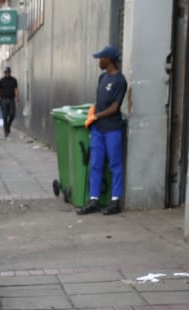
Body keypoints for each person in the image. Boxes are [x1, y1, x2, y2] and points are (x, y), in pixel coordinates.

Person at [76, 45, 128, 216]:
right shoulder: (102, 78)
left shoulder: (120, 81)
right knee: (95, 164)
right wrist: (93, 112)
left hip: (112, 128)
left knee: (115, 164)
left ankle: (115, 201)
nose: (99, 61)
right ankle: (94, 200)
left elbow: (115, 107)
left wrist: (97, 116)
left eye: (101, 58)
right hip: (98, 129)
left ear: (109, 60)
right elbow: (100, 102)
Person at [0, 66, 19, 138]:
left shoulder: (14, 80)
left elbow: (16, 89)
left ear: (10, 72)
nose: (7, 73)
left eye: (8, 72)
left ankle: (8, 125)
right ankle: (6, 131)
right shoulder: (1, 81)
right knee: (5, 116)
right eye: (6, 72)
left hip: (11, 99)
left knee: (12, 114)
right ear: (4, 73)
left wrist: (17, 98)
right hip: (3, 100)